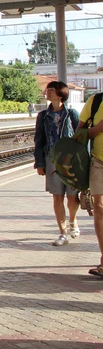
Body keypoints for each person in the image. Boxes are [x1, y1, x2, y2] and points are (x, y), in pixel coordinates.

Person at [34, 81, 82, 246]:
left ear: (61, 93)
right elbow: (39, 140)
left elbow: (81, 138)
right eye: (48, 90)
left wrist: (83, 161)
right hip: (51, 159)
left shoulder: (72, 114)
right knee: (57, 197)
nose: (48, 92)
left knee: (72, 197)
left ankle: (73, 221)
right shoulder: (43, 116)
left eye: (52, 90)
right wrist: (39, 163)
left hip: (70, 160)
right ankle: (62, 234)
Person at [78, 92, 103, 277]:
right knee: (99, 209)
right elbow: (79, 133)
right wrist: (98, 129)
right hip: (98, 162)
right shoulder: (96, 101)